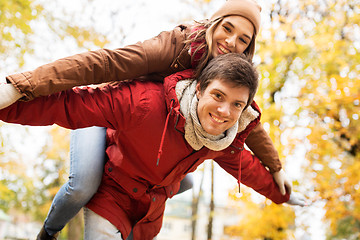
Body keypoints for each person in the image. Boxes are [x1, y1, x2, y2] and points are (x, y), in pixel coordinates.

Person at [0, 0, 292, 238]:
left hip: (151, 129)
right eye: (227, 28)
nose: (231, 42)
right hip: (108, 109)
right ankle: (49, 232)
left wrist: (275, 168)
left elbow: (245, 120)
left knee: (183, 182)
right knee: (83, 184)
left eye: (243, 39)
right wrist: (21, 86)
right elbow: (105, 63)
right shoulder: (176, 47)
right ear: (213, 23)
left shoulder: (228, 81)